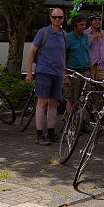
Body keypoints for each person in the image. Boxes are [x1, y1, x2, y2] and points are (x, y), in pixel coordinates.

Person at [26, 8, 67, 146]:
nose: (57, 19)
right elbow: (32, 52)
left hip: (57, 73)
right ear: (50, 18)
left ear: (63, 18)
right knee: (42, 102)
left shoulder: (64, 35)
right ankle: (39, 134)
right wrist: (30, 72)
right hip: (44, 72)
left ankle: (50, 132)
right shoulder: (43, 32)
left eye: (60, 17)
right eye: (54, 17)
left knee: (54, 103)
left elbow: (63, 55)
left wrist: (64, 73)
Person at [64, 14, 90, 115]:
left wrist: (91, 71)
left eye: (84, 24)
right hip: (73, 72)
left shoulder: (85, 37)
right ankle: (69, 123)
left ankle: (82, 124)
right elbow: (63, 57)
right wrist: (65, 75)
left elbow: (88, 54)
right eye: (81, 25)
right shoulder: (68, 38)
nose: (84, 26)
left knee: (85, 99)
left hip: (85, 71)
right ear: (74, 26)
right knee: (71, 98)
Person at [85, 13, 104, 80]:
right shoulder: (86, 33)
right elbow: (84, 46)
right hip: (90, 66)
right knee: (90, 86)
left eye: (99, 20)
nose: (97, 22)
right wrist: (94, 36)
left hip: (101, 66)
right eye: (95, 20)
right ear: (91, 22)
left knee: (101, 86)